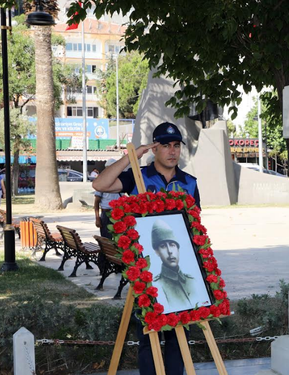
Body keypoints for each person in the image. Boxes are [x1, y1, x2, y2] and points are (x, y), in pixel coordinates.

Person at [92, 121, 199, 375]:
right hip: (148, 271)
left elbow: (195, 225)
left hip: (178, 270)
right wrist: (132, 156)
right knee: (148, 337)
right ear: (154, 149)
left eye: (176, 146)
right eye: (165, 146)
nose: (172, 151)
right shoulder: (139, 176)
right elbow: (101, 185)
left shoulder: (190, 182)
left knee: (177, 337)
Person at [150, 219, 211, 313]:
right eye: (163, 246)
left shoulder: (193, 281)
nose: (170, 251)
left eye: (172, 245)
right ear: (157, 252)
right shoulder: (157, 286)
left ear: (178, 248)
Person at [94, 159, 122, 239]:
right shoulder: (102, 183)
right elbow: (96, 202)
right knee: (106, 239)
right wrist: (97, 218)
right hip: (106, 214)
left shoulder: (121, 182)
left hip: (119, 214)